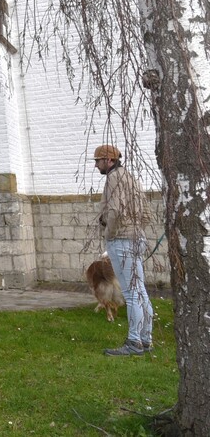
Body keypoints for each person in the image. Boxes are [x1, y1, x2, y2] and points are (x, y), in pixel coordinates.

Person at [94, 144, 154, 356]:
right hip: (136, 237)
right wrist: (137, 229)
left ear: (109, 160)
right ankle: (145, 340)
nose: (96, 165)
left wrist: (110, 233)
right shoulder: (129, 177)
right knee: (140, 291)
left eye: (98, 161)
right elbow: (146, 211)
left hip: (122, 240)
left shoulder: (114, 178)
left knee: (131, 293)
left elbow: (115, 211)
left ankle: (134, 342)